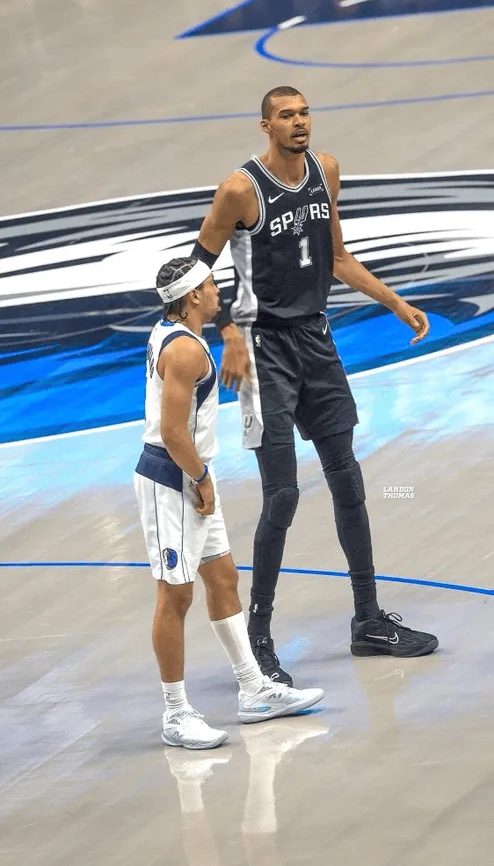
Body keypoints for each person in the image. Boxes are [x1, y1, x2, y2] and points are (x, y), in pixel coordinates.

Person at [192, 85, 439, 686]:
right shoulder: (240, 190)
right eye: (286, 116)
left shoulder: (325, 170)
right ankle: (258, 640)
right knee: (282, 495)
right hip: (262, 354)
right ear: (265, 126)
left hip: (315, 340)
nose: (299, 123)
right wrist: (228, 331)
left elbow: (338, 258)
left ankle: (368, 620)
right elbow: (196, 270)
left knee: (347, 479)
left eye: (304, 113)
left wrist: (396, 303)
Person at [133, 255, 324, 750]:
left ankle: (253, 688)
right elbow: (173, 432)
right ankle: (176, 713)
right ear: (193, 295)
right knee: (174, 596)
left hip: (191, 472)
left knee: (222, 578)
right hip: (173, 478)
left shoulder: (173, 333)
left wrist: (201, 475)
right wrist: (201, 478)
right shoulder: (185, 351)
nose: (219, 292)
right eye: (213, 284)